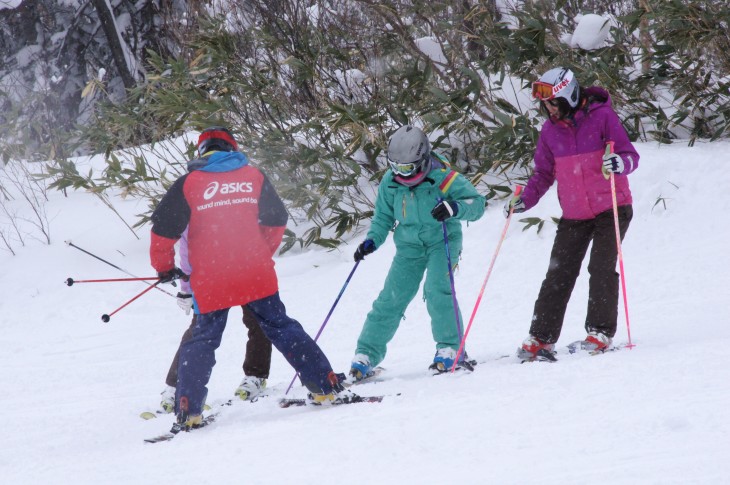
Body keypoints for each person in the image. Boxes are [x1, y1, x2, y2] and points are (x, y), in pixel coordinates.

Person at [150, 126, 355, 428]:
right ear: (232, 149)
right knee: (282, 327)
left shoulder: (189, 183)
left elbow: (162, 230)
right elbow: (276, 220)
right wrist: (259, 253)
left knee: (203, 339)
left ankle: (189, 409)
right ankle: (325, 385)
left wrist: (165, 268)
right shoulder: (253, 176)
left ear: (202, 153)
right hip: (255, 274)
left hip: (211, 279)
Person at [503, 67, 639, 359]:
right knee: (558, 273)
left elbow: (630, 155)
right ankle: (541, 337)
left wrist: (619, 163)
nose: (549, 110)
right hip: (575, 214)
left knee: (601, 267)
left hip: (611, 206)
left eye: (554, 103)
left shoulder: (602, 117)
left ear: (569, 96)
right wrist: (525, 200)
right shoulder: (550, 131)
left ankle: (600, 331)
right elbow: (542, 173)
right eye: (546, 105)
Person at [349, 125, 486, 379]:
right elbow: (382, 218)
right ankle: (366, 353)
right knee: (390, 298)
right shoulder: (390, 183)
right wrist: (371, 241)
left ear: (422, 161)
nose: (400, 174)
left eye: (407, 168)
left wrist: (454, 208)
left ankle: (450, 348)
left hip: (442, 242)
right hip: (409, 247)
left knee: (437, 290)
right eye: (395, 167)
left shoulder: (445, 178)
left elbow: (477, 204)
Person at [158, 226, 272, 413]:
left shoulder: (242, 198)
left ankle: (255, 376)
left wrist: (261, 259)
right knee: (199, 332)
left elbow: (268, 228)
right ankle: (176, 387)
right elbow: (187, 252)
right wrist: (186, 289)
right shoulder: (192, 204)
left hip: (249, 270)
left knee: (258, 320)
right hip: (213, 277)